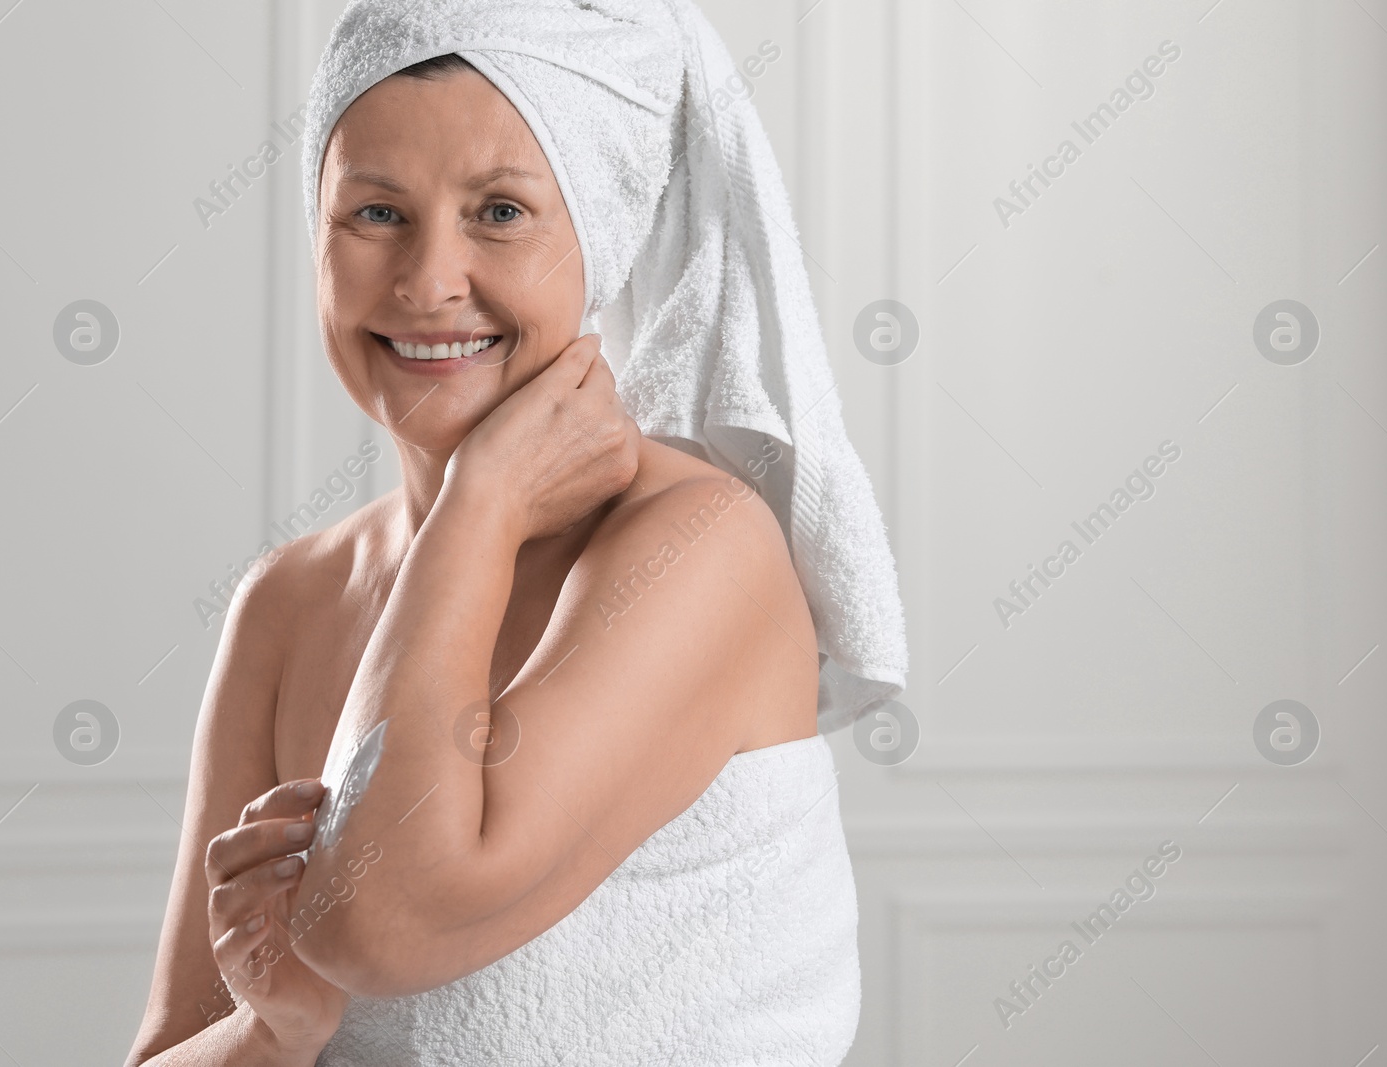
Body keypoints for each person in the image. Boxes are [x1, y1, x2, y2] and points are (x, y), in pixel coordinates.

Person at [126, 2, 906, 1064]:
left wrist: (478, 505)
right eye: (375, 213)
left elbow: (378, 913)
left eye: (498, 211)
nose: (428, 281)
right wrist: (271, 1028)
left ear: (603, 230)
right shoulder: (286, 601)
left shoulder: (698, 544)